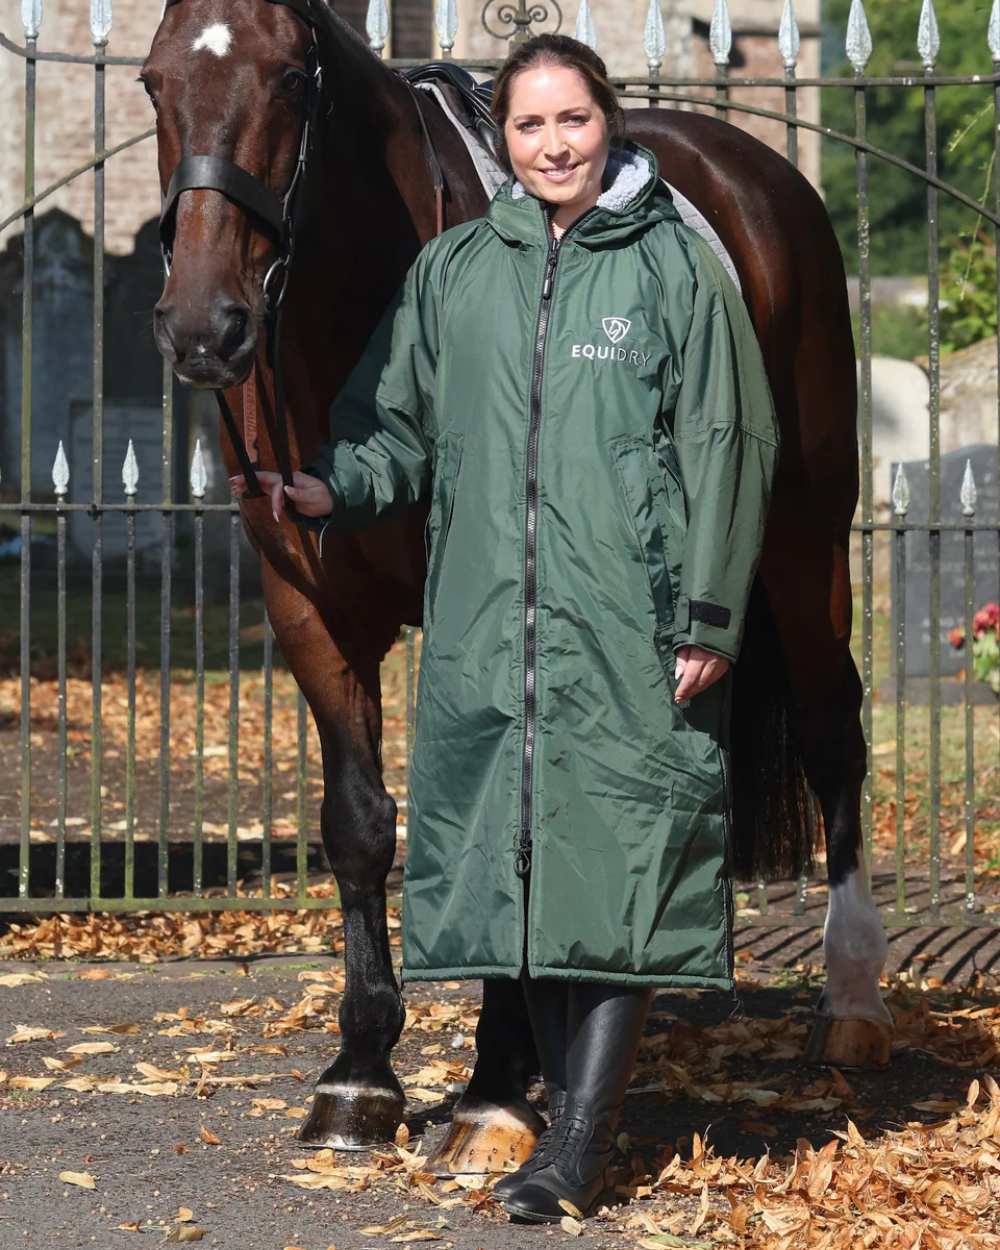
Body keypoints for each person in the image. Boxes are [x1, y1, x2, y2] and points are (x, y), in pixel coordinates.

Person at [232, 34, 778, 1225]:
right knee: (524, 860)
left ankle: (578, 1141)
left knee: (620, 868)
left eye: (571, 121)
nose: (551, 146)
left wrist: (710, 612)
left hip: (630, 621)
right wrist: (338, 484)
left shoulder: (675, 270)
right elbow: (402, 427)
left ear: (605, 121)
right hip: (496, 624)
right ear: (504, 136)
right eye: (528, 127)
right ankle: (549, 1107)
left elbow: (729, 446)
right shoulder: (456, 273)